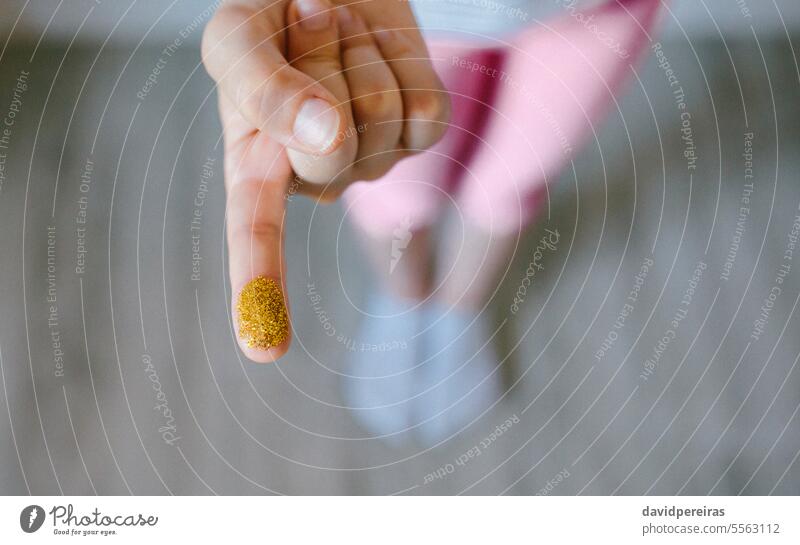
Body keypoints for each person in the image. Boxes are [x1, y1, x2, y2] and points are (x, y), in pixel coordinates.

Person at [201, 0, 662, 442]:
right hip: (400, 13)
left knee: (509, 183)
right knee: (393, 182)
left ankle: (461, 310)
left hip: (595, 15)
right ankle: (404, 298)